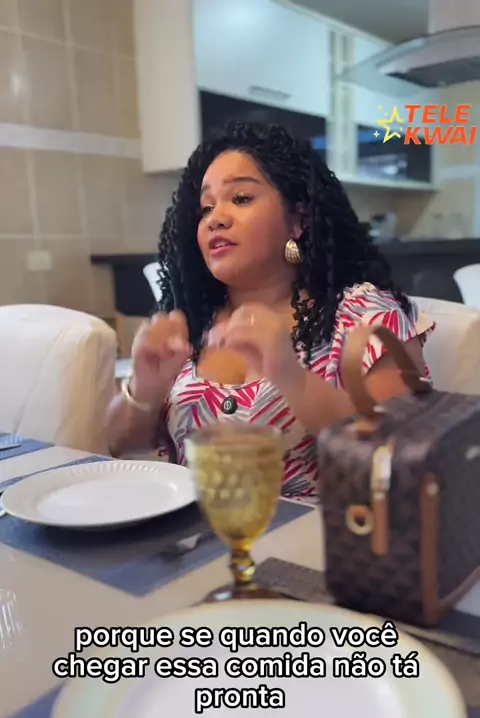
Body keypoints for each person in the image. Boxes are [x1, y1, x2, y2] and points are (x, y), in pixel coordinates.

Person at [107, 121, 434, 503]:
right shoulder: (189, 322)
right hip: (191, 535)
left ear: (299, 220)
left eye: (241, 198)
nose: (216, 218)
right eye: (206, 207)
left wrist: (291, 377)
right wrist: (144, 390)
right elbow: (118, 444)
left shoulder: (364, 314)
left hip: (314, 537)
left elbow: (399, 456)